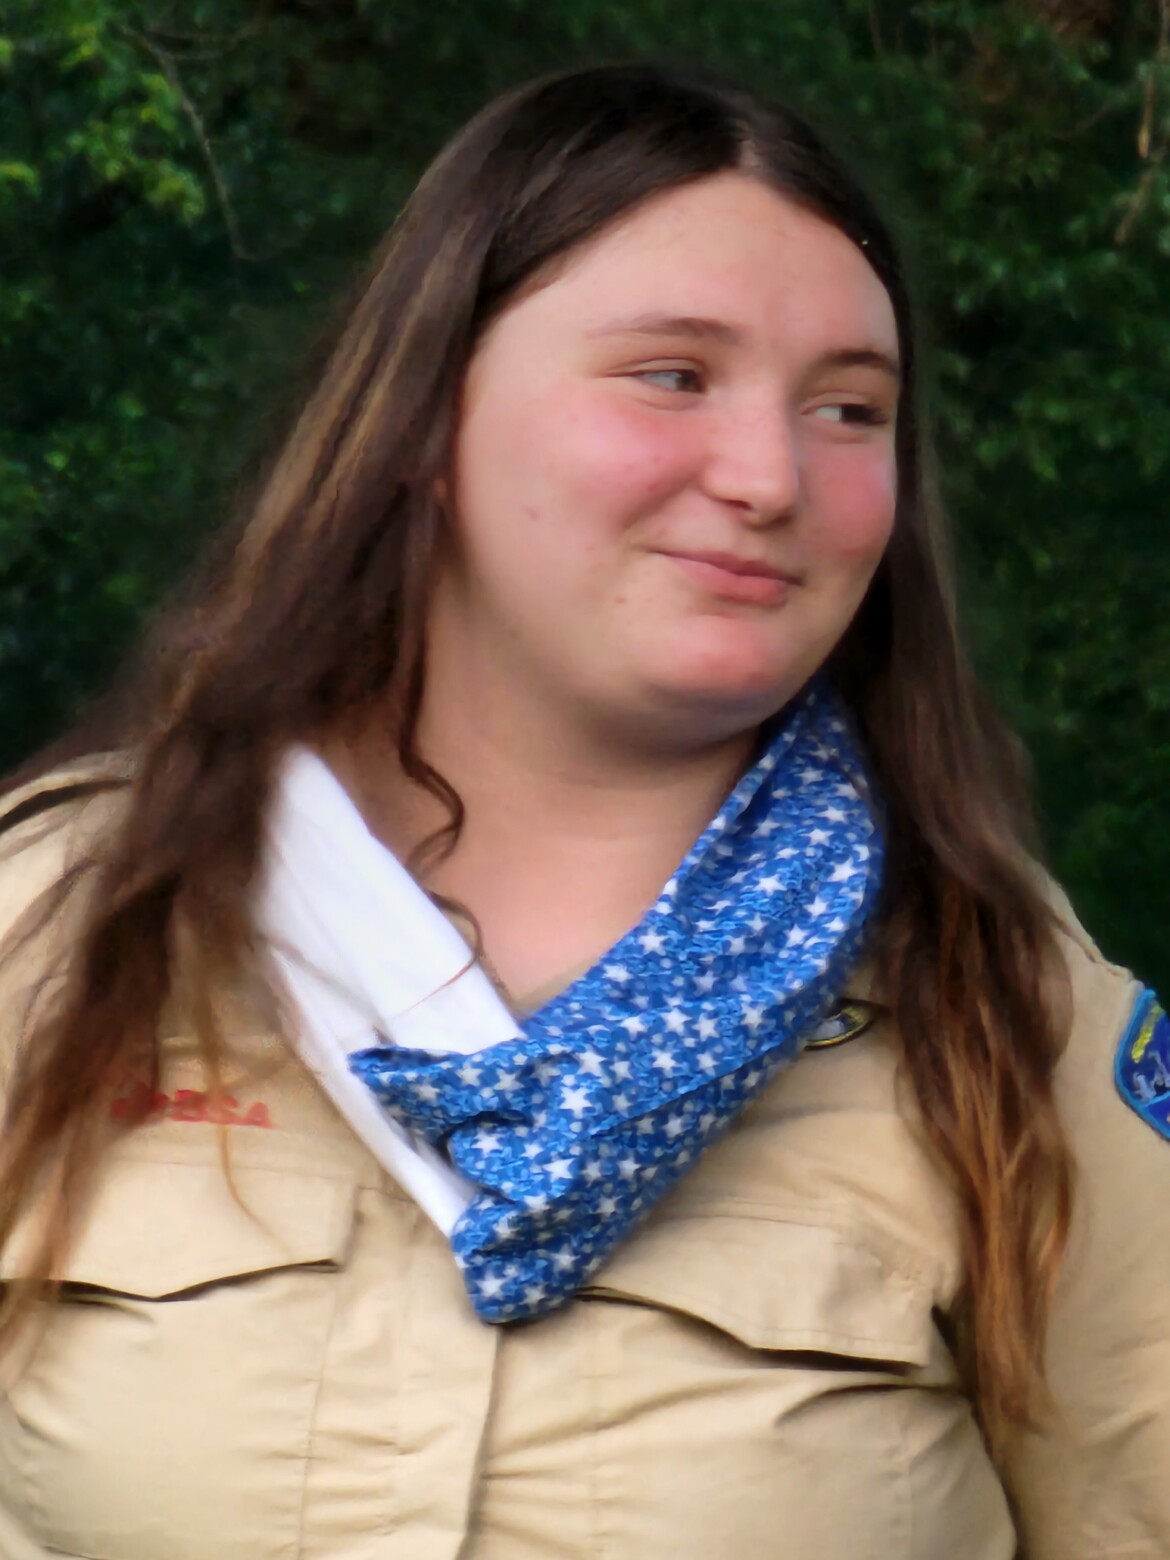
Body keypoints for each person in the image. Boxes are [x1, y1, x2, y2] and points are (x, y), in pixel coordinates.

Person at [0, 60, 1166, 1560]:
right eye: (671, 375)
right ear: (425, 417)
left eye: (849, 408)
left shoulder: (1004, 1010)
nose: (768, 476)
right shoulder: (65, 921)